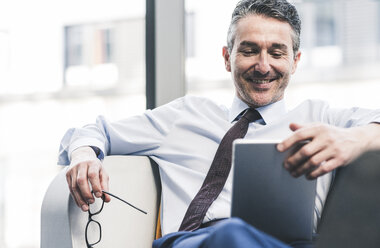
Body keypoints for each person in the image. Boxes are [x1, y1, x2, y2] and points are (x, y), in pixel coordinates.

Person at [59, 0, 380, 247]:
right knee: (231, 234)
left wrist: (355, 140)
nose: (263, 65)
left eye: (277, 52)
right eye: (250, 50)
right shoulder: (184, 115)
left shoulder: (322, 118)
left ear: (295, 61)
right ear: (227, 57)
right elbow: (90, 131)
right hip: (195, 242)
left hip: (286, 244)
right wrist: (85, 155)